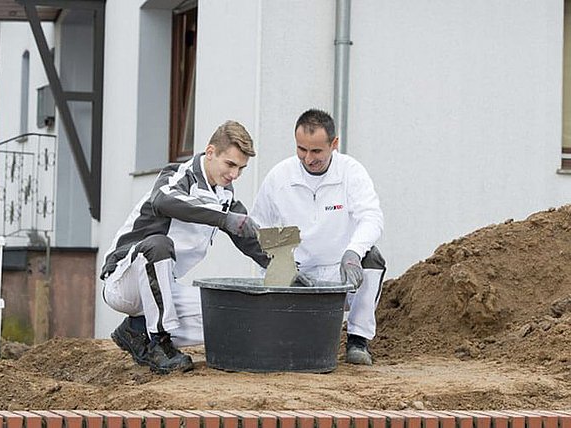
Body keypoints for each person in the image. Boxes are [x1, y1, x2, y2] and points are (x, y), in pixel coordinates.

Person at [101, 120, 270, 374]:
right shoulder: (177, 175)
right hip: (124, 281)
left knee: (227, 316)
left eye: (241, 169)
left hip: (162, 288)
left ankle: (136, 331)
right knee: (158, 245)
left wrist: (284, 267)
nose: (234, 174)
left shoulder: (225, 195)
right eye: (230, 164)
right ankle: (158, 342)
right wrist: (224, 218)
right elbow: (163, 201)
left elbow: (248, 238)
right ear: (210, 152)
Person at [251, 108, 386, 365]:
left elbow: (372, 217)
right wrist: (281, 266)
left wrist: (353, 253)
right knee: (287, 347)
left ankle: (358, 340)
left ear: (334, 144)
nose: (307, 158)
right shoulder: (280, 177)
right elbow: (259, 228)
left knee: (373, 259)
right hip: (296, 273)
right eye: (301, 149)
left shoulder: (351, 173)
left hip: (339, 272)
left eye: (316, 152)